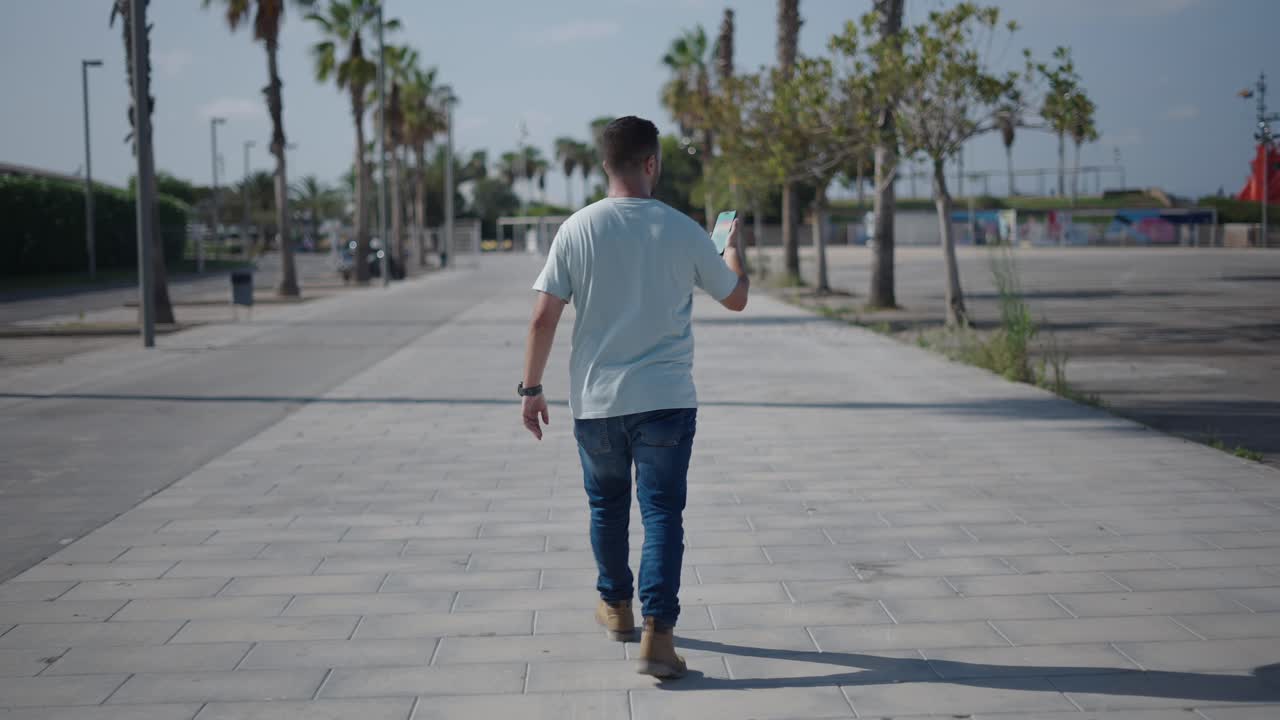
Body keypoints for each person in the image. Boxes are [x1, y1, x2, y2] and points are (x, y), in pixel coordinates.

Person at [517, 116, 749, 679]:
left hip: (596, 402)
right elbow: (735, 298)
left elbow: (544, 317)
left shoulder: (576, 228)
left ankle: (616, 607)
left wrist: (532, 388)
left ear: (605, 166)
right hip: (666, 399)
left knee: (607, 507)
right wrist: (732, 250)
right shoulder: (684, 229)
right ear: (651, 163)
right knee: (662, 513)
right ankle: (658, 638)